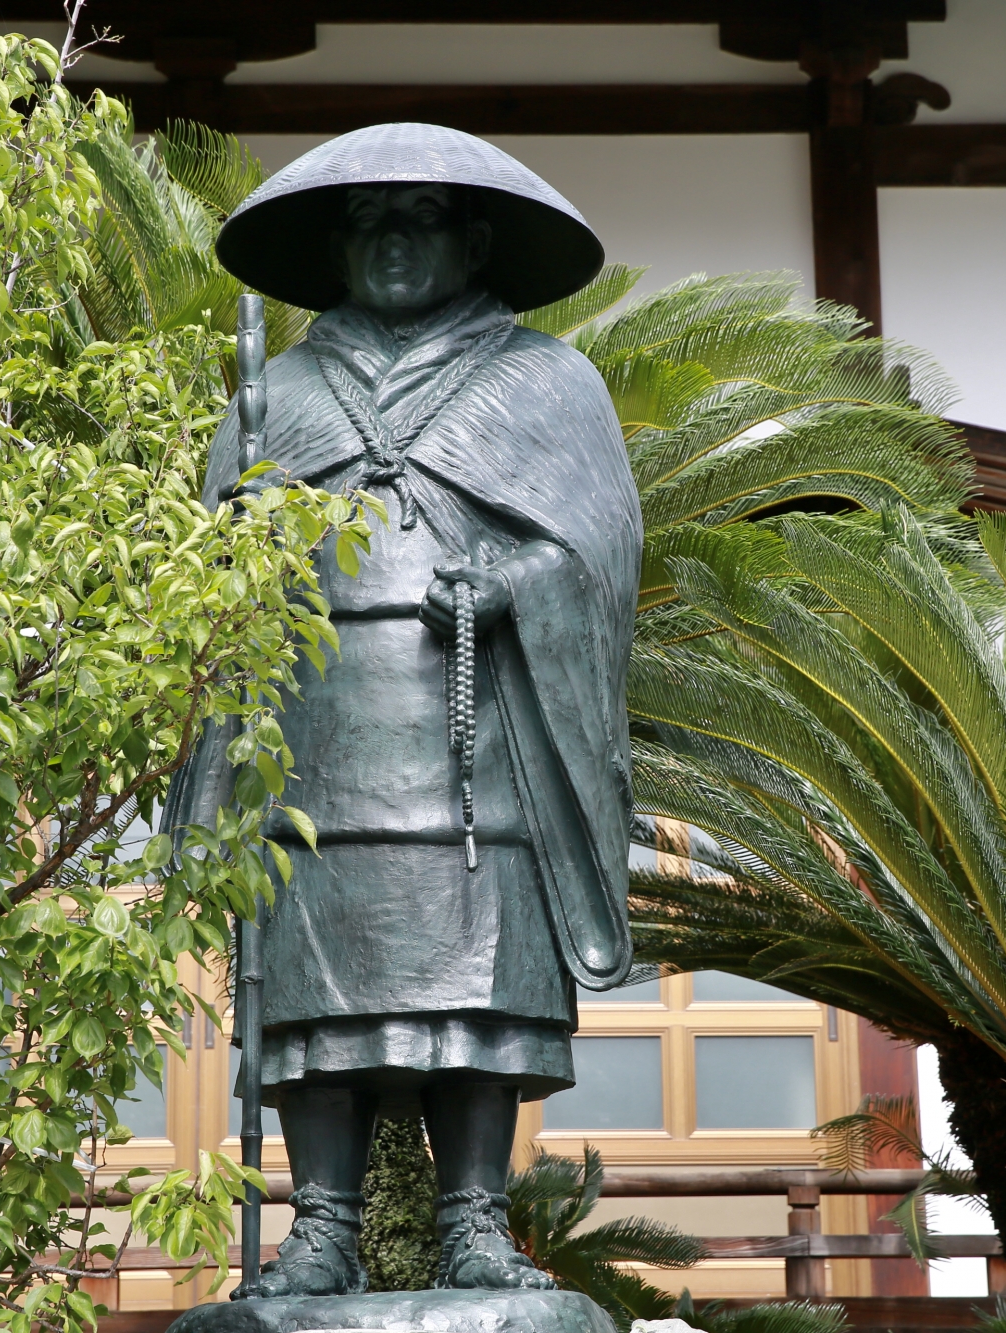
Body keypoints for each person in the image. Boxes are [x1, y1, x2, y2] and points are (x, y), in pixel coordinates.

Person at [162, 122, 640, 1297]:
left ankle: (474, 1216)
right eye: (368, 222)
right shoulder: (276, 396)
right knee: (315, 993)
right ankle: (318, 1223)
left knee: (480, 983)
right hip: (312, 742)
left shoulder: (546, 382)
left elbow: (598, 558)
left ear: (474, 240)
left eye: (417, 218)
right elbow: (206, 585)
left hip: (479, 745)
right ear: (334, 246)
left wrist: (513, 582)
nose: (390, 243)